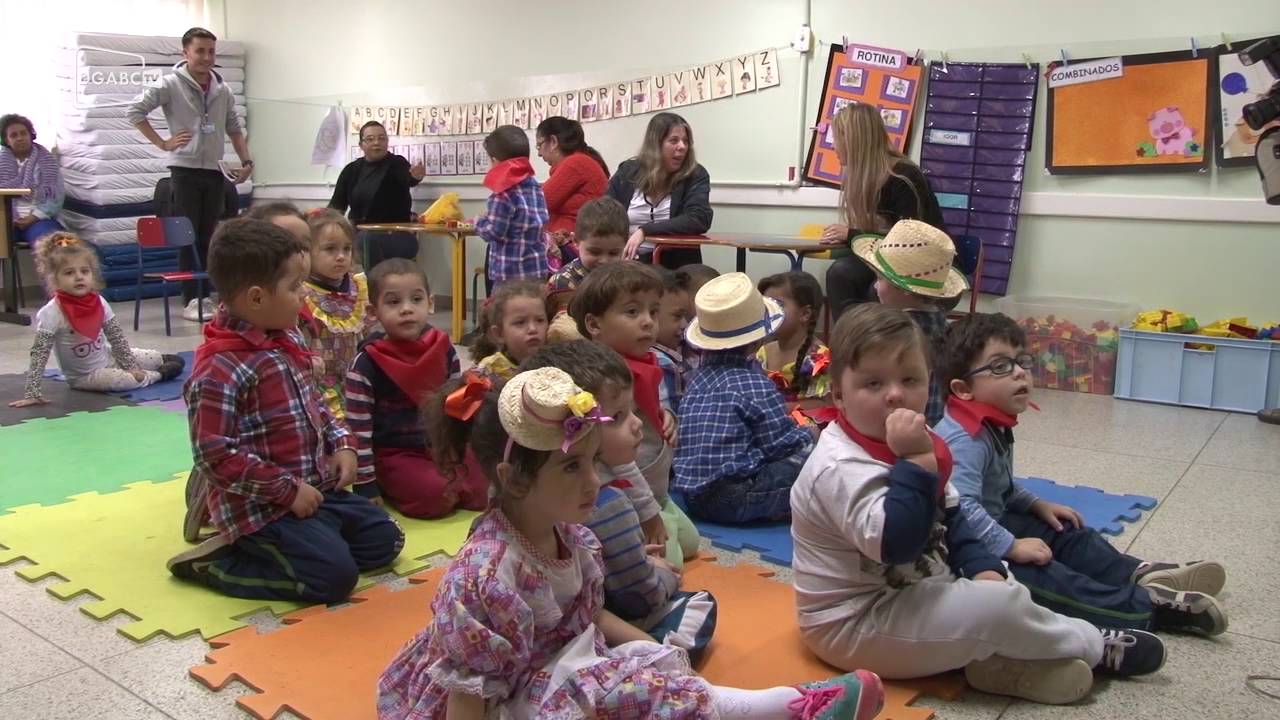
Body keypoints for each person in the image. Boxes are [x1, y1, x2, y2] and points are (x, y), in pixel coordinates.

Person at [377, 365, 884, 720]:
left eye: (595, 462)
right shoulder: (486, 575)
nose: (594, 482)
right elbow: (468, 692)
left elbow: (590, 617)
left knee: (647, 670)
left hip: (561, 667)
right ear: (513, 479)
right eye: (572, 467)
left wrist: (651, 650)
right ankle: (773, 708)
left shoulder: (570, 537)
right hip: (499, 701)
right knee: (623, 689)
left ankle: (768, 705)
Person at [790, 304, 1166, 704]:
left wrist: (984, 567)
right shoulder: (839, 466)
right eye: (873, 384)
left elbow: (953, 518)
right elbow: (896, 544)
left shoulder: (915, 438)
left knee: (1004, 580)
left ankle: (1000, 665)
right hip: (855, 623)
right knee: (998, 608)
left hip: (918, 589)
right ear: (839, 396)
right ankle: (1091, 645)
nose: (896, 394)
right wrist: (917, 463)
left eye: (910, 379)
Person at [938, 312, 1228, 634]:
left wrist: (1037, 504)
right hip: (963, 549)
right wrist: (1011, 546)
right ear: (963, 389)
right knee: (1047, 581)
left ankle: (1137, 574)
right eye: (1001, 366)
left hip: (993, 522)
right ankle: (1147, 608)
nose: (1020, 373)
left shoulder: (993, 421)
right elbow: (961, 510)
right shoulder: (965, 439)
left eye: (1021, 361)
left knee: (1067, 531)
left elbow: (999, 486)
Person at [169, 218, 404, 600]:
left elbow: (316, 400)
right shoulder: (219, 368)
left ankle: (312, 543)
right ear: (257, 298)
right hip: (263, 509)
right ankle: (218, 563)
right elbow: (214, 455)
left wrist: (342, 441)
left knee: (386, 539)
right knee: (334, 580)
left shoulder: (286, 336)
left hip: (314, 491)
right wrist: (287, 491)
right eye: (295, 288)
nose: (304, 298)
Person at [520, 341, 710, 643]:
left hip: (534, 635)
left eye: (633, 412)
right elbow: (641, 597)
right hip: (576, 636)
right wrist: (661, 575)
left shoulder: (525, 488)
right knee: (700, 608)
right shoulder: (607, 505)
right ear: (578, 429)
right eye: (619, 417)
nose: (638, 425)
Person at [570, 261, 700, 565]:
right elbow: (618, 462)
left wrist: (668, 415)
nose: (648, 322)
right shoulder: (599, 379)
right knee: (673, 563)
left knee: (691, 544)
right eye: (632, 312)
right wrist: (647, 514)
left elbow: (657, 402)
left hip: (656, 484)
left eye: (653, 312)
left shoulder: (651, 361)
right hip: (627, 493)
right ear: (594, 325)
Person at [128, 27, 254, 322]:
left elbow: (234, 128)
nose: (206, 57)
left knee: (209, 235)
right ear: (185, 53)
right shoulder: (170, 84)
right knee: (187, 236)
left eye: (211, 51)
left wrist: (246, 160)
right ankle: (192, 298)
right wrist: (163, 142)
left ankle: (208, 295)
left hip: (213, 170)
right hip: (183, 171)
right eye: (200, 51)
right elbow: (135, 111)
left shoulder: (222, 90)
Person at [344, 259, 487, 517]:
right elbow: (358, 430)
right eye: (393, 302)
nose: (407, 309)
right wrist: (365, 485)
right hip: (395, 452)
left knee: (483, 489)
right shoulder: (366, 363)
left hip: (440, 445)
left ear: (430, 303)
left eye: (416, 299)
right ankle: (408, 484)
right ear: (373, 311)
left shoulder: (443, 348)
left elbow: (455, 407)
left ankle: (444, 478)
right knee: (436, 498)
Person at [673, 273, 816, 524]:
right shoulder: (754, 383)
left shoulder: (696, 380)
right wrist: (810, 434)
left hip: (691, 497)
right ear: (758, 338)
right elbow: (780, 445)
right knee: (815, 459)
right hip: (735, 497)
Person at [9, 232, 182, 408]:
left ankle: (158, 363)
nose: (79, 277)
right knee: (122, 381)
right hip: (85, 376)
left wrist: (131, 366)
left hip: (108, 357)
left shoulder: (99, 301)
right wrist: (32, 393)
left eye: (84, 271)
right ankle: (157, 376)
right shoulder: (51, 312)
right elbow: (39, 353)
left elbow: (116, 338)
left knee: (159, 358)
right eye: (69, 273)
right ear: (55, 279)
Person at [820, 103, 946, 320]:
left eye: (838, 139)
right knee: (839, 273)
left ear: (854, 141)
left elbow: (908, 244)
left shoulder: (903, 177)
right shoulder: (863, 178)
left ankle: (880, 345)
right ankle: (850, 344)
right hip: (885, 262)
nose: (834, 146)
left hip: (926, 266)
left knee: (877, 291)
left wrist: (851, 234)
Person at [853, 220, 966, 426]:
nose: (876, 286)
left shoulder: (895, 332)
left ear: (903, 288)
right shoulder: (942, 321)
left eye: (880, 279)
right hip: (939, 424)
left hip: (902, 424)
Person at [607, 112, 712, 269]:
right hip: (627, 263)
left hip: (675, 265)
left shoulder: (695, 174)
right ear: (655, 145)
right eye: (674, 140)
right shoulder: (628, 172)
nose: (682, 147)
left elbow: (699, 218)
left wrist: (646, 231)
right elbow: (606, 212)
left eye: (686, 141)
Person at [297, 209, 374, 418]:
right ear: (307, 252)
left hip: (354, 378)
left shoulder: (359, 287)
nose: (341, 257)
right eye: (330, 249)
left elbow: (365, 335)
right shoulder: (302, 293)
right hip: (317, 383)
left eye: (347, 249)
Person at [327, 120, 427, 267]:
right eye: (370, 139)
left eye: (381, 138)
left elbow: (408, 179)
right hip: (358, 234)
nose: (376, 142)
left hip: (396, 235)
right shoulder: (351, 170)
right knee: (333, 241)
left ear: (387, 142)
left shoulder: (397, 163)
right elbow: (336, 206)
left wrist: (415, 177)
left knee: (366, 240)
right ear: (361, 145)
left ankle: (371, 287)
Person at [476, 125, 549, 294]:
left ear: (495, 161)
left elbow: (494, 232)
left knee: (505, 318)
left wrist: (478, 221)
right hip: (536, 272)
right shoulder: (535, 187)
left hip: (509, 276)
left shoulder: (503, 193)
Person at [545, 196, 627, 342]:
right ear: (575, 241)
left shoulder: (628, 278)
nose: (604, 261)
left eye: (614, 253)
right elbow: (560, 332)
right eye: (595, 252)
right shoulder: (563, 284)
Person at [535, 116, 609, 260]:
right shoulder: (579, 161)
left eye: (539, 146)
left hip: (573, 246)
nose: (538, 153)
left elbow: (538, 204)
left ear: (553, 142)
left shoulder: (576, 163)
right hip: (568, 243)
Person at [757, 271, 831, 405]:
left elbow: (824, 406)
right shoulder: (762, 354)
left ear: (805, 314)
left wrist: (779, 410)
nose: (768, 311)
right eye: (765, 305)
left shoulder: (820, 360)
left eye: (777, 304)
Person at [0, 113, 65, 244]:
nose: (20, 138)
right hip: (4, 220)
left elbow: (56, 197)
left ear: (31, 135)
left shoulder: (47, 162)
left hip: (39, 221)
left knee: (53, 243)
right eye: (14, 135)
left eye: (23, 133)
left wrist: (34, 217)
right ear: (6, 140)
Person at [470, 279, 548, 381]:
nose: (533, 329)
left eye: (540, 320)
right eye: (520, 322)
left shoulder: (556, 362)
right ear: (499, 334)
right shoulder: (489, 370)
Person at [653, 268, 694, 412]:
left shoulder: (683, 348)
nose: (684, 324)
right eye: (677, 316)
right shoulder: (661, 363)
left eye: (686, 317)